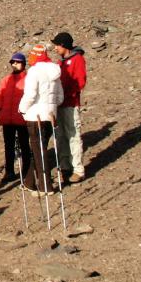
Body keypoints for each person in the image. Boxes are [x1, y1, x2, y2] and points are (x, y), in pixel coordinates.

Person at [18, 43, 64, 194]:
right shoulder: (55, 72)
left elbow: (30, 94)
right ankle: (29, 181)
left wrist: (22, 108)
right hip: (50, 115)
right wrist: (52, 107)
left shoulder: (34, 72)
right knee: (39, 148)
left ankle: (46, 186)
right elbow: (60, 97)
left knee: (38, 150)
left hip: (35, 114)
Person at [52, 31, 88, 183]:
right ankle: (65, 166)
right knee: (60, 136)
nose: (55, 48)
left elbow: (80, 81)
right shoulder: (61, 63)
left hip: (70, 104)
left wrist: (67, 95)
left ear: (64, 45)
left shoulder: (77, 59)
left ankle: (78, 169)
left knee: (73, 135)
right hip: (60, 104)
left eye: (57, 45)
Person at [0, 52, 32, 188]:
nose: (15, 64)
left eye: (18, 62)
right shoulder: (6, 79)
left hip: (21, 118)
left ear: (23, 63)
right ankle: (9, 171)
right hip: (7, 119)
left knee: (24, 145)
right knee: (8, 146)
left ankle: (26, 171)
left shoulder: (28, 79)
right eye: (13, 62)